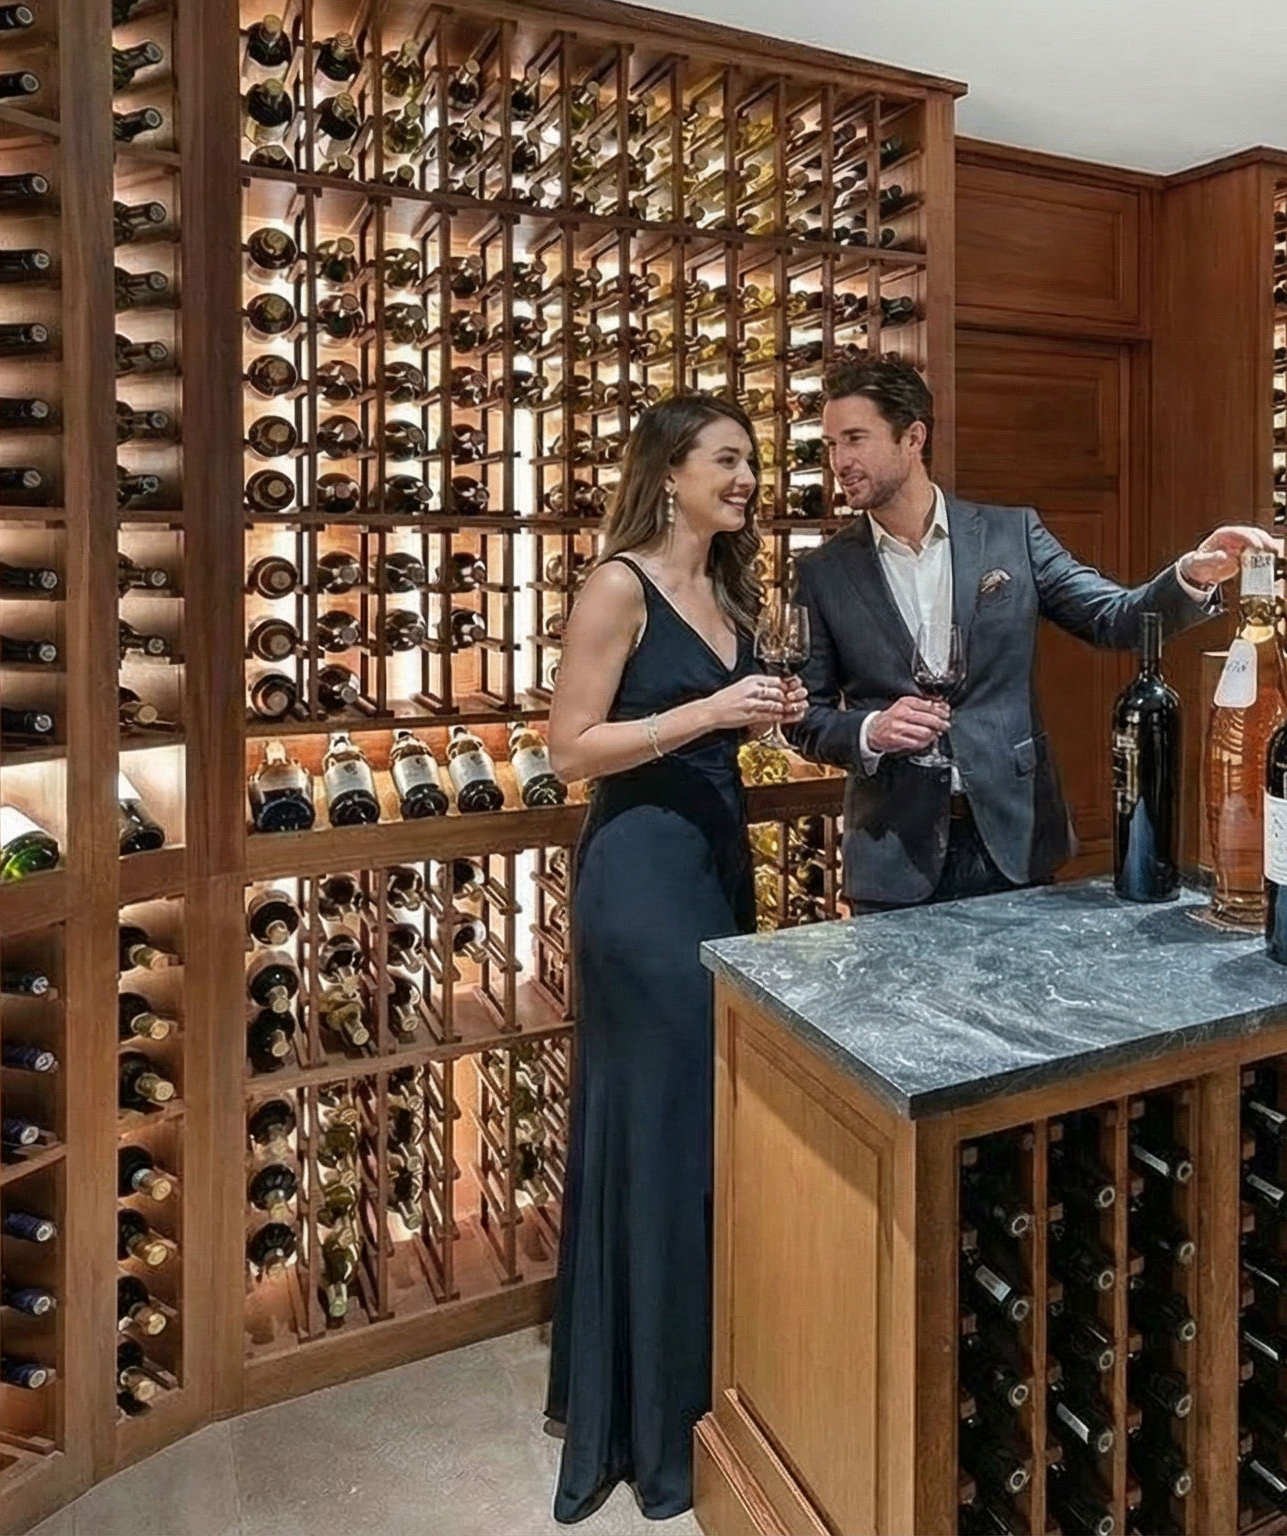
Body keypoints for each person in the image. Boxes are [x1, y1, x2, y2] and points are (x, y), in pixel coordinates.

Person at [539, 393, 803, 1523]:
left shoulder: (729, 591)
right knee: (660, 1129)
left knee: (698, 1134)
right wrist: (706, 715)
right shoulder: (618, 585)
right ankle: (649, 1426)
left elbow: (725, 717)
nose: (747, 478)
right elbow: (568, 751)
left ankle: (693, 1387)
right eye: (728, 460)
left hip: (714, 866)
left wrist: (769, 713)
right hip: (641, 880)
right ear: (671, 470)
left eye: (750, 463)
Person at [787, 353, 1279, 912]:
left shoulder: (1012, 534)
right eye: (830, 445)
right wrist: (871, 729)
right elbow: (805, 717)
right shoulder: (822, 573)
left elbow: (1113, 617)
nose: (839, 461)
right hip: (893, 858)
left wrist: (1192, 572)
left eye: (855, 439)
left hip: (1015, 840)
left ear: (912, 437)